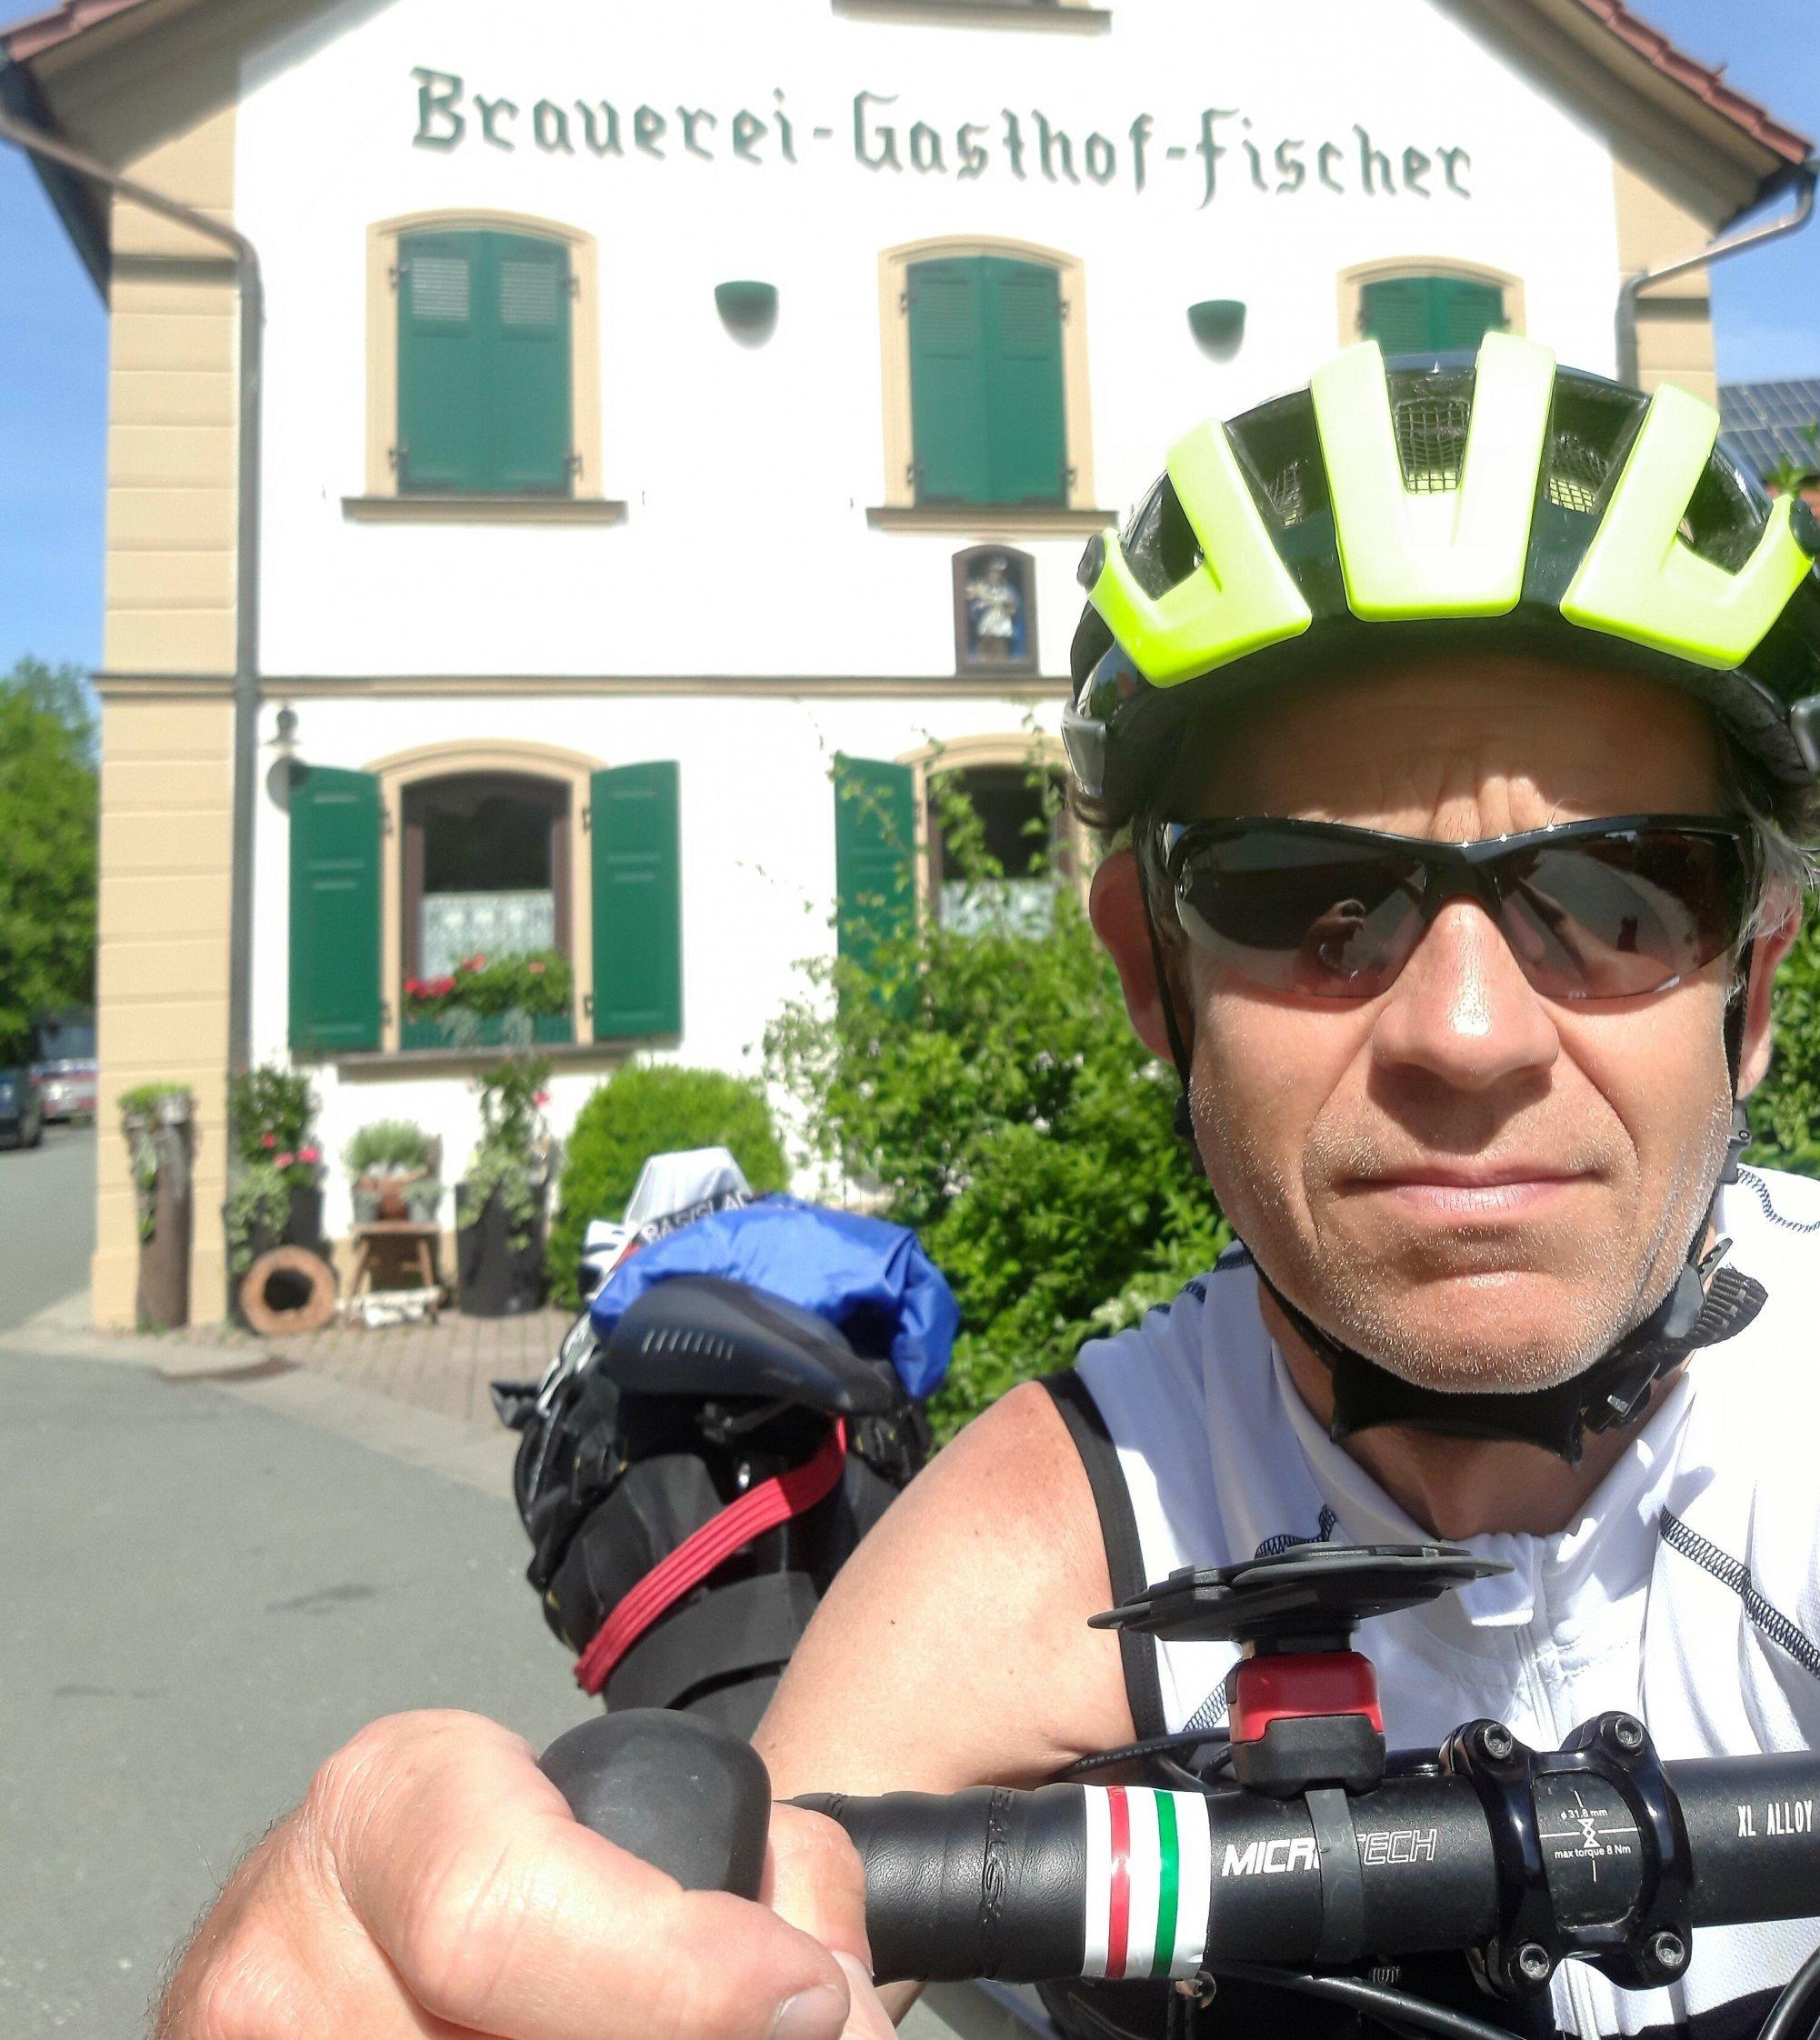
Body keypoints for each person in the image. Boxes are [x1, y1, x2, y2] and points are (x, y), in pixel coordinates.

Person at [155, 335, 1820, 2040]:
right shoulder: (1039, 1549)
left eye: (1619, 893)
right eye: (1312, 898)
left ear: (1752, 987)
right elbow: (745, 1964)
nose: (1466, 1033)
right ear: (1153, 982)